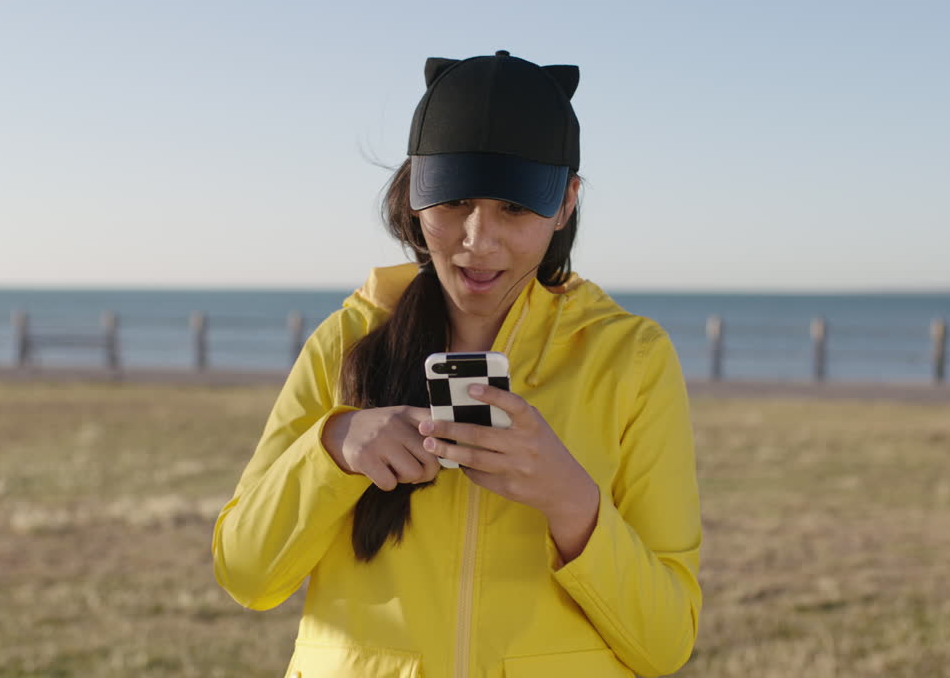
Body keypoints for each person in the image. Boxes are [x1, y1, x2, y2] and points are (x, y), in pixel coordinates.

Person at [212, 50, 702, 678]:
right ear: (416, 195)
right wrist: (333, 447)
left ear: (566, 203)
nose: (479, 240)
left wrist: (571, 501)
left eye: (515, 209)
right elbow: (245, 574)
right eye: (454, 204)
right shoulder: (345, 342)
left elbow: (665, 644)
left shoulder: (631, 359)